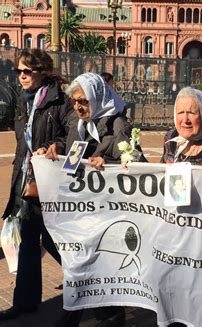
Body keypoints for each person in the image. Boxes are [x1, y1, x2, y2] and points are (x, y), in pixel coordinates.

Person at [43, 72, 137, 326]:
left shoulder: (118, 125)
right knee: (64, 250)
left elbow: (136, 163)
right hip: (80, 209)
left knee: (99, 266)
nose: (78, 106)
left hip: (107, 211)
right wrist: (57, 148)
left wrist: (110, 163)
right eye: (75, 101)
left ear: (97, 97)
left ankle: (105, 316)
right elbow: (73, 149)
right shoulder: (79, 122)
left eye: (83, 101)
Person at [0, 49, 73, 321]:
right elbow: (22, 144)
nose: (21, 76)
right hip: (26, 179)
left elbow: (74, 137)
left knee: (56, 242)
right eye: (18, 71)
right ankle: (25, 302)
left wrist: (53, 147)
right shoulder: (23, 101)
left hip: (51, 180)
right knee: (28, 240)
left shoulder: (60, 100)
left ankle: (98, 295)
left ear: (43, 71)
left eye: (26, 71)